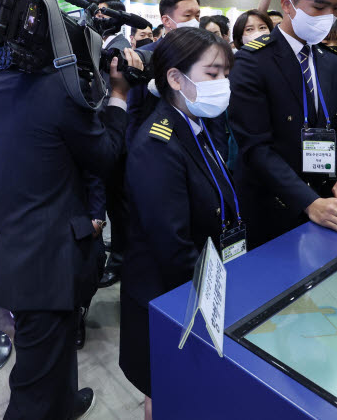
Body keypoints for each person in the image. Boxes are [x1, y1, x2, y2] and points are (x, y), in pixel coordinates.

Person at [0, 0, 143, 418]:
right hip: (48, 258)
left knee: (53, 350)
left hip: (13, 247)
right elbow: (104, 156)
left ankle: (66, 402)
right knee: (32, 381)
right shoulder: (59, 93)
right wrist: (119, 97)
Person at [121, 28, 238, 420]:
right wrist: (222, 294)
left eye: (225, 73)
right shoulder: (159, 142)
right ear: (175, 78)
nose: (223, 84)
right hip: (171, 295)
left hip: (199, 282)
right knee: (166, 395)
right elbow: (171, 245)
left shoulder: (199, 124)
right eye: (213, 73)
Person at [229, 0, 337, 249]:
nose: (328, 17)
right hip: (271, 204)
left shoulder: (330, 62)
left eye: (336, 8)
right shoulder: (252, 61)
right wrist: (308, 201)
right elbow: (255, 147)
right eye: (319, 7)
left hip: (326, 201)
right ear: (287, 5)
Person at [127, 0, 201, 143]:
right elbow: (134, 110)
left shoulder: (205, 54)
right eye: (187, 16)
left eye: (197, 16)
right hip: (156, 142)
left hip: (198, 140)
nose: (194, 21)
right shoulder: (144, 56)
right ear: (167, 21)